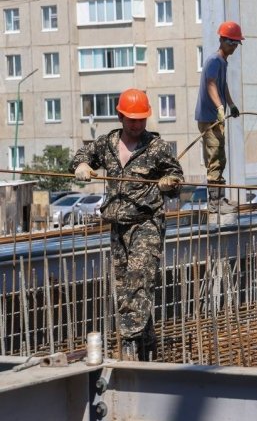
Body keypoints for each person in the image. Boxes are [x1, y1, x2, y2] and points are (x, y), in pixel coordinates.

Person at [70, 89, 184, 361]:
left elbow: (176, 176)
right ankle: (146, 347)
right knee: (124, 287)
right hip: (118, 226)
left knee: (138, 281)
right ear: (120, 116)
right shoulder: (107, 144)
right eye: (132, 119)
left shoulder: (156, 147)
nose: (137, 124)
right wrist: (82, 166)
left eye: (141, 120)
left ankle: (130, 345)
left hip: (146, 224)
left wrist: (170, 182)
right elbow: (80, 156)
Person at [194, 20, 244, 214]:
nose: (234, 47)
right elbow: (211, 84)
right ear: (223, 40)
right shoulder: (214, 61)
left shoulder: (222, 62)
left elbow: (222, 86)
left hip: (216, 116)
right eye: (232, 43)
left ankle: (219, 199)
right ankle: (215, 204)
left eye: (236, 44)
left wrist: (231, 105)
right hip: (209, 117)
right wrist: (220, 107)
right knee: (214, 157)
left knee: (220, 158)